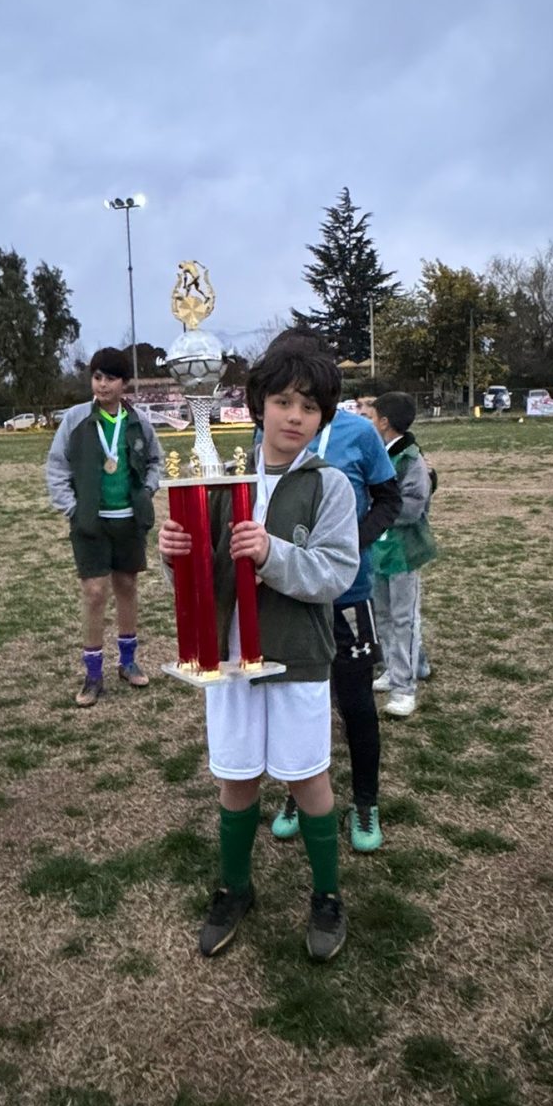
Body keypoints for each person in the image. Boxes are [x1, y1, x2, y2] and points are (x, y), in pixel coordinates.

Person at [158, 344, 359, 961]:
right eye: (282, 402)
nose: (293, 416)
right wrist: (172, 555)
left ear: (323, 417)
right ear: (257, 406)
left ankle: (326, 895)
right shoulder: (219, 475)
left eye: (308, 406)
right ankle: (234, 887)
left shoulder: (330, 486)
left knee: (308, 777)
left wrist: (273, 555)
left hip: (297, 657)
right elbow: (200, 576)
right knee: (237, 775)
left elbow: (335, 573)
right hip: (229, 660)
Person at [265, 331, 401, 854]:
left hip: (345, 595)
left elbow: (388, 498)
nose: (296, 406)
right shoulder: (266, 435)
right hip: (290, 597)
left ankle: (365, 800)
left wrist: (353, 540)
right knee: (302, 701)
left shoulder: (358, 433)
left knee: (355, 702)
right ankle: (299, 790)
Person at [46, 348, 163, 707]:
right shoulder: (76, 418)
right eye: (97, 377)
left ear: (124, 383)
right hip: (90, 524)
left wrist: (145, 492)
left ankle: (128, 662)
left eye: (110, 378)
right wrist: (72, 508)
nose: (102, 384)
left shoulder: (137, 420)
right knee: (95, 593)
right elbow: (56, 466)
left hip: (128, 522)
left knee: (127, 586)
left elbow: (156, 460)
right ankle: (92, 673)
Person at [369, 393, 437, 718]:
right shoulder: (378, 454)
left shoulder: (411, 459)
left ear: (384, 421)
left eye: (374, 416)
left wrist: (374, 511)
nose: (371, 421)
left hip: (403, 552)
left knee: (404, 619)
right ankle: (394, 669)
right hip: (378, 549)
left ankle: (404, 688)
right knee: (382, 616)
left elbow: (412, 507)